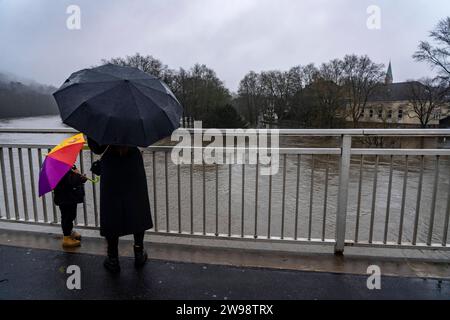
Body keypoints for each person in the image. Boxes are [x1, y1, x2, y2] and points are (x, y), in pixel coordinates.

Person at [88, 137, 153, 274]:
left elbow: (97, 148)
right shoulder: (134, 119)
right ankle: (139, 253)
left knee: (111, 210)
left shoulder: (104, 121)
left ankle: (113, 259)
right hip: (133, 164)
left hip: (111, 165)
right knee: (137, 207)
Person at [54, 165, 88, 248]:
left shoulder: (69, 165)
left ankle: (69, 232)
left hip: (70, 197)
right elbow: (69, 181)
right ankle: (66, 237)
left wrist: (79, 177)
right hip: (65, 198)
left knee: (71, 215)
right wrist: (78, 177)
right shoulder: (60, 168)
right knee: (67, 217)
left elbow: (72, 179)